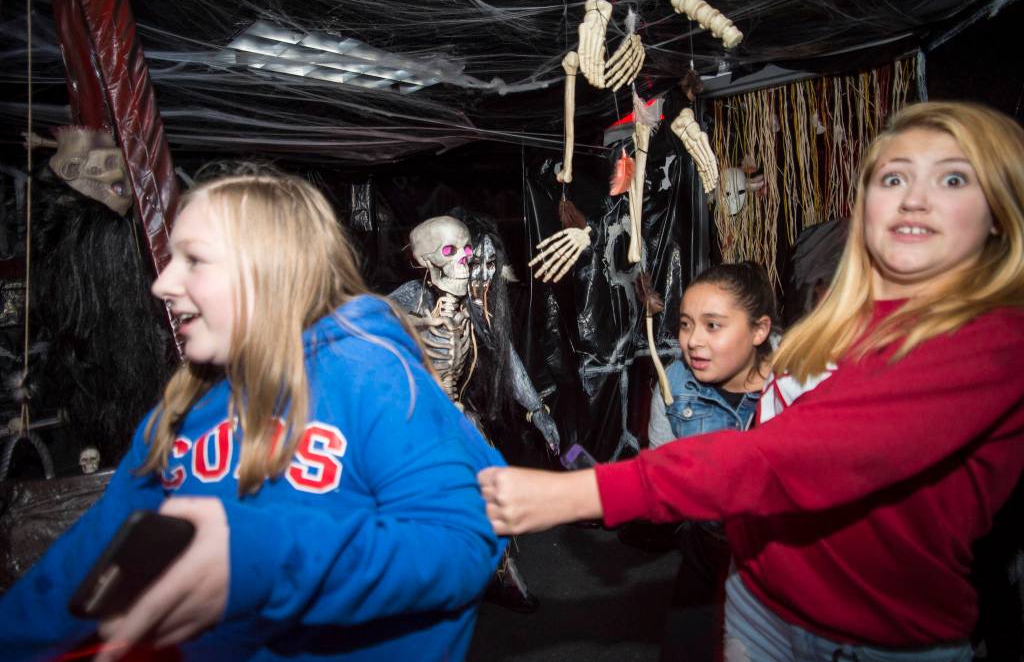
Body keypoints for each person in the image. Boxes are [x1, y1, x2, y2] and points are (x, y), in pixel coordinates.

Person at [479, 100, 1024, 661]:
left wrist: (581, 493)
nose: (914, 197)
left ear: (999, 213)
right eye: (893, 177)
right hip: (762, 598)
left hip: (878, 636)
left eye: (953, 178)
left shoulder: (991, 345)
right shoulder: (831, 336)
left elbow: (790, 460)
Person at [0, 170, 505, 662]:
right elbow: (90, 562)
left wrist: (265, 555)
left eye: (194, 260)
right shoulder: (180, 414)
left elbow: (463, 545)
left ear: (268, 269)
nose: (162, 284)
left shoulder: (376, 377)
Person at [647, 262, 774, 662]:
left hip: (778, 557)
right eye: (686, 325)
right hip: (707, 548)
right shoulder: (674, 384)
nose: (693, 342)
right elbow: (658, 476)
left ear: (760, 330)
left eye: (713, 325)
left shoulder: (796, 379)